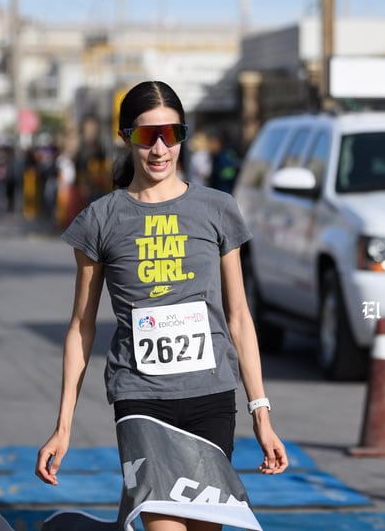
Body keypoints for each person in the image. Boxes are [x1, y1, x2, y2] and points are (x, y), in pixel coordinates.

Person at [35, 80, 289, 531]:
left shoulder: (217, 209)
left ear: (182, 136)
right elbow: (80, 327)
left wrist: (261, 415)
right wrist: (63, 425)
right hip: (140, 399)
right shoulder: (100, 220)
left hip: (211, 399)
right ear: (126, 137)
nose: (158, 148)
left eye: (169, 135)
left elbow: (239, 318)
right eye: (145, 135)